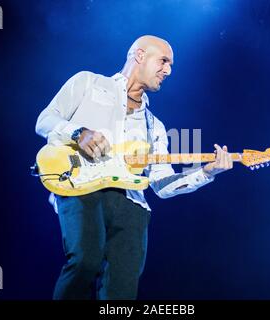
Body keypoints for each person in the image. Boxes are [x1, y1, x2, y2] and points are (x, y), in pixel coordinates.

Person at [35, 35, 233, 300]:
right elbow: (44, 120)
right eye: (163, 61)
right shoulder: (89, 83)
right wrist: (78, 133)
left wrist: (206, 173)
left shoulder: (156, 127)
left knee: (122, 292)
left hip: (132, 205)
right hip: (80, 186)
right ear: (139, 55)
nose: (168, 70)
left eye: (171, 65)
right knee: (85, 261)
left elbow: (161, 185)